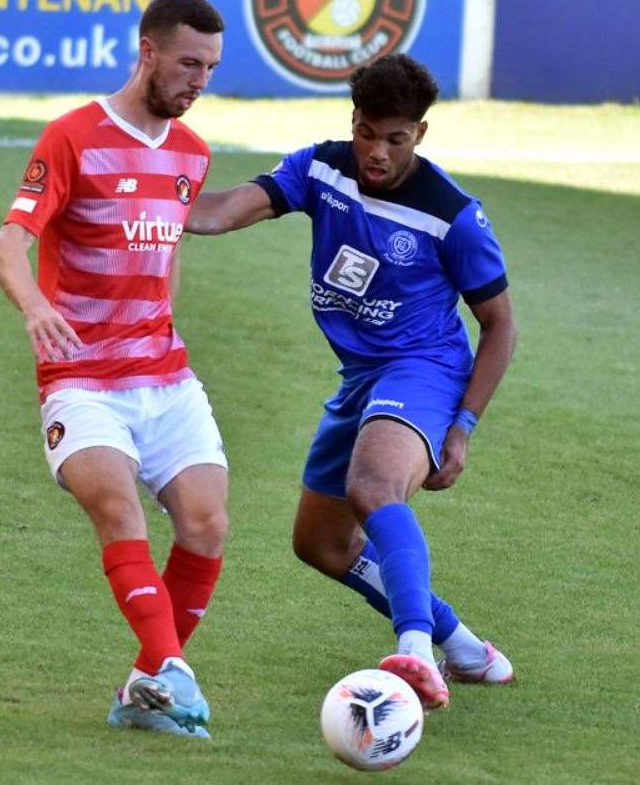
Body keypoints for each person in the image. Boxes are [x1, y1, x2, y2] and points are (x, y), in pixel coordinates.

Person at [186, 53, 518, 711]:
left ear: (418, 134)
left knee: (371, 486)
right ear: (352, 121)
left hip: (424, 368)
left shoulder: (451, 215)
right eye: (366, 131)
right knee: (320, 544)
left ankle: (417, 652)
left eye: (394, 138)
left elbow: (499, 325)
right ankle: (463, 645)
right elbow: (221, 212)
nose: (375, 151)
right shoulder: (320, 167)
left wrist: (463, 426)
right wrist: (144, 202)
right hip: (360, 376)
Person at [0, 0, 228, 738]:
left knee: (206, 522)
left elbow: (169, 251)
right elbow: (7, 245)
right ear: (147, 52)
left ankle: (143, 685)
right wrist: (35, 308)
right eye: (188, 63)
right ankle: (174, 669)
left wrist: (163, 321)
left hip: (164, 374)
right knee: (118, 507)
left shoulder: (191, 153)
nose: (198, 81)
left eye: (211, 68)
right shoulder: (72, 136)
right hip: (82, 380)